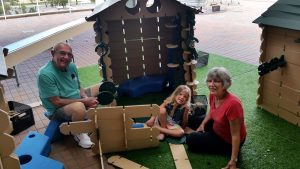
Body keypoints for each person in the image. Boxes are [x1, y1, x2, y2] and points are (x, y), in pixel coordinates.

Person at [37, 42, 99, 149]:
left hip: (76, 98)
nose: (66, 57)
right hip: (58, 109)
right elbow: (57, 102)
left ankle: (90, 114)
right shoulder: (45, 74)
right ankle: (78, 133)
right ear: (53, 53)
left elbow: (78, 86)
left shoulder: (72, 66)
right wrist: (85, 102)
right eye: (62, 53)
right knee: (79, 108)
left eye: (69, 55)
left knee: (101, 86)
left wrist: (85, 98)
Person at [186, 67, 247, 169]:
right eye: (209, 81)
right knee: (190, 119)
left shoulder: (233, 104)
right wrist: (202, 124)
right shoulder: (213, 95)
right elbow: (212, 112)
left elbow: (236, 135)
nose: (212, 84)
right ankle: (202, 133)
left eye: (216, 81)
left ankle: (202, 135)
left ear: (225, 84)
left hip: (227, 141)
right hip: (217, 126)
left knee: (191, 139)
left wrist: (233, 161)